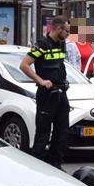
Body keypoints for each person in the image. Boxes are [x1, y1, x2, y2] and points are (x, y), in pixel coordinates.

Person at [20, 15, 72, 169]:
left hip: (61, 92)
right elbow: (24, 65)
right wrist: (41, 80)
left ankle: (55, 165)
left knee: (62, 131)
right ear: (58, 29)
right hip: (47, 94)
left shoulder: (61, 44)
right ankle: (38, 168)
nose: (68, 35)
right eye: (67, 31)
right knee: (43, 133)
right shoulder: (42, 44)